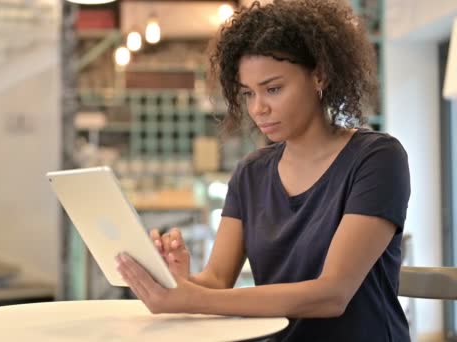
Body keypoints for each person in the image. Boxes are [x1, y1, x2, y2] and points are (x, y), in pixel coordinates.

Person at [115, 0, 411, 341]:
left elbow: (333, 294)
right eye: (248, 93)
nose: (259, 108)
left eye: (273, 89)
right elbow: (215, 281)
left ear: (320, 76)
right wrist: (176, 281)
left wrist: (197, 297)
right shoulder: (251, 173)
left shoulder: (376, 158)